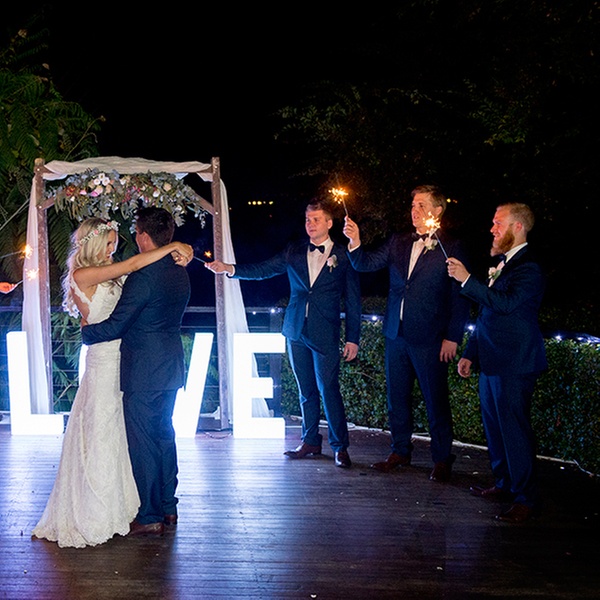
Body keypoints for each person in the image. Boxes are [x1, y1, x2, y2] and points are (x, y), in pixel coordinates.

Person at [32, 217, 192, 547]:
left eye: (115, 244)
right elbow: (134, 266)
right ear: (92, 243)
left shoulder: (121, 273)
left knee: (138, 437)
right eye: (108, 244)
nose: (113, 250)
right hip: (111, 362)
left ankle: (148, 510)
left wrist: (173, 249)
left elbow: (133, 278)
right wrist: (174, 247)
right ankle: (134, 508)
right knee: (115, 433)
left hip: (132, 364)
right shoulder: (84, 274)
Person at [205, 199, 361, 468]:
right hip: (295, 329)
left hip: (325, 331)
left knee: (329, 389)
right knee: (305, 390)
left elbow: (353, 300)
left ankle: (340, 447)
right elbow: (263, 269)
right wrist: (230, 269)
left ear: (329, 223)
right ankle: (310, 441)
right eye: (307, 220)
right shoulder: (294, 250)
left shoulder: (344, 255)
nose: (310, 224)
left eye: (316, 219)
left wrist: (352, 338)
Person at [343, 184, 470, 482]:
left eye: (422, 205)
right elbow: (364, 264)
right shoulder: (398, 242)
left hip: (431, 337)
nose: (415, 211)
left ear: (438, 210)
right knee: (396, 398)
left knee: (435, 400)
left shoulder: (451, 246)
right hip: (395, 334)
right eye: (413, 205)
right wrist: (355, 241)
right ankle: (400, 450)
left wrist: (453, 336)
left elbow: (459, 296)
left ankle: (442, 458)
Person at [80, 207, 191, 537]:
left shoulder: (143, 276)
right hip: (169, 366)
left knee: (143, 443)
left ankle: (149, 514)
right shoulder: (179, 271)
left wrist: (86, 334)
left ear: (143, 236)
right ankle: (169, 506)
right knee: (164, 436)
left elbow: (117, 325)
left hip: (143, 371)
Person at [447, 202, 547, 523]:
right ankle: (504, 484)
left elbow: (505, 304)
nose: (492, 229)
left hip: (515, 363)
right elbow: (486, 314)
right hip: (491, 360)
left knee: (514, 431)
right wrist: (470, 352)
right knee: (495, 428)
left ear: (518, 227)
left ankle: (525, 498)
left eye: (498, 223)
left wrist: (467, 280)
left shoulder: (529, 268)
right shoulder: (502, 264)